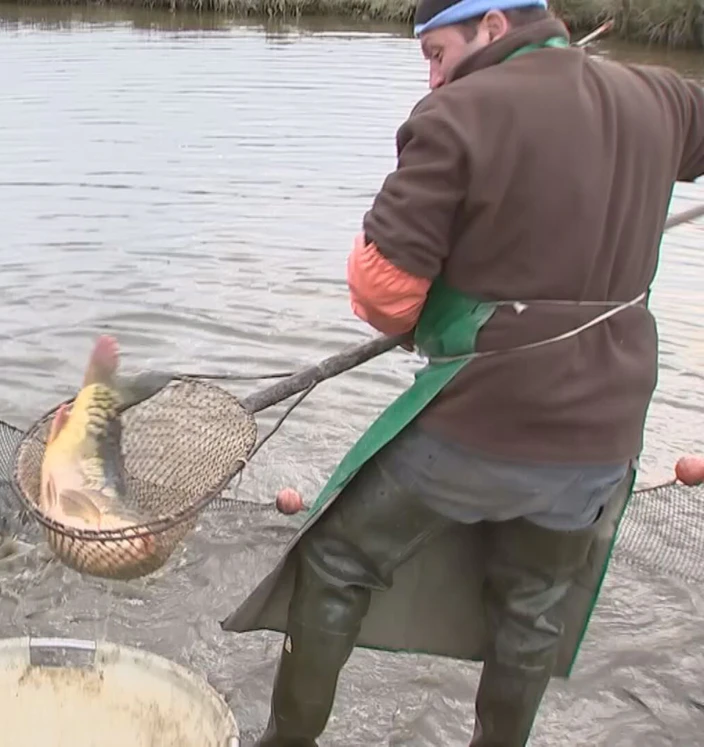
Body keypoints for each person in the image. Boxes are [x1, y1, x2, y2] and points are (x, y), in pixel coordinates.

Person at [220, 2, 704, 745]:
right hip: (603, 436)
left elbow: (384, 293)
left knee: (337, 558)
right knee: (531, 608)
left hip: (484, 422)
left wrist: (428, 305)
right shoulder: (660, 97)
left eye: (437, 53)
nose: (432, 76)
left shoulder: (456, 116)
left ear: (493, 27)